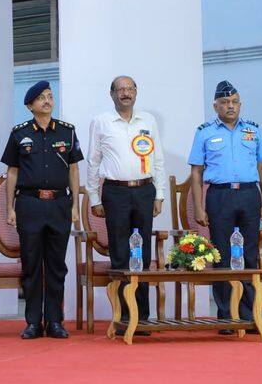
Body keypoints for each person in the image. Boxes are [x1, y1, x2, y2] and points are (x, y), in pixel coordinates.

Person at [187, 80, 262, 334]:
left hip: (249, 195)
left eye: (234, 102)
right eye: (225, 102)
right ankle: (226, 316)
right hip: (219, 196)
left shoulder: (254, 130)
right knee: (222, 256)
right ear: (216, 106)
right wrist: (199, 208)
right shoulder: (204, 131)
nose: (230, 106)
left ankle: (249, 315)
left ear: (240, 104)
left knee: (249, 256)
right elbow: (196, 172)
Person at [1, 81, 82, 339]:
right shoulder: (19, 133)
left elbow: (73, 169)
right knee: (32, 264)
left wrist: (75, 206)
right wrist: (10, 208)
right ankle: (34, 322)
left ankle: (55, 320)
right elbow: (12, 172)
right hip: (29, 204)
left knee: (57, 266)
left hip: (59, 204)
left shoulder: (67, 132)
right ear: (30, 105)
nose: (47, 101)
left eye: (49, 96)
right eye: (41, 98)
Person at [86, 76, 165, 333]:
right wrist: (95, 198)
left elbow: (158, 158)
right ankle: (123, 317)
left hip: (144, 190)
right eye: (120, 90)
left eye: (129, 89)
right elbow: (93, 162)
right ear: (111, 94)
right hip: (115, 193)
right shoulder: (101, 122)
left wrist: (159, 194)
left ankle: (142, 317)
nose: (125, 94)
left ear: (136, 92)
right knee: (120, 254)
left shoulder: (148, 121)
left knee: (141, 254)